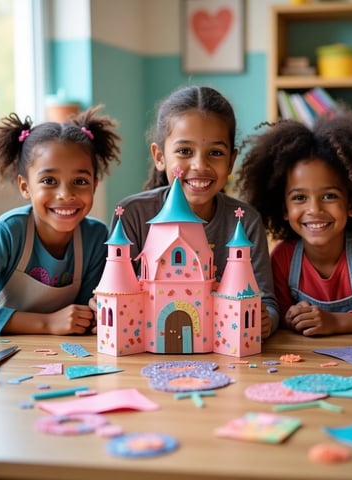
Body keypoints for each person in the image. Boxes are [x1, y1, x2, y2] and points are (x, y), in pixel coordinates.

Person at [109, 85, 279, 339]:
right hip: (147, 353)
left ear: (231, 161)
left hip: (225, 353)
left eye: (215, 153)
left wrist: (266, 320)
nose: (200, 165)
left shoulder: (244, 221)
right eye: (184, 151)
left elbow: (266, 302)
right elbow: (115, 292)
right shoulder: (132, 215)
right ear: (159, 156)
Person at [236, 112, 352, 336]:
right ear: (284, 210)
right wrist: (291, 316)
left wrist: (336, 322)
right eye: (299, 198)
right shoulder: (283, 258)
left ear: (351, 204)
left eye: (329, 196)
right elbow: (278, 313)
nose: (315, 209)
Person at [0, 106, 121, 336]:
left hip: (57, 355)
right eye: (49, 180)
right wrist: (47, 323)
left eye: (80, 181)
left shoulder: (97, 237)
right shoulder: (8, 232)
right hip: (2, 356)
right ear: (25, 187)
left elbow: (83, 316)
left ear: (95, 185)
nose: (65, 194)